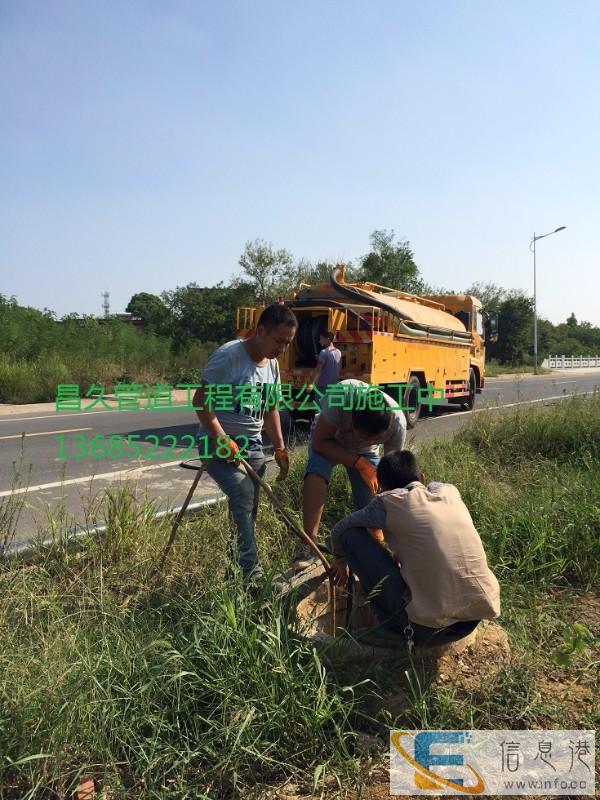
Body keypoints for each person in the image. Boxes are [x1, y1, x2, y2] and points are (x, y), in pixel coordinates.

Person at [327, 450, 501, 646]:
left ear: (381, 488)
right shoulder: (449, 491)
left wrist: (340, 560)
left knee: (351, 536)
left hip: (425, 630)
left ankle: (392, 626)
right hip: (473, 618)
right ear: (421, 478)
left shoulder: (387, 501)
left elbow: (340, 529)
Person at [193, 304, 297, 582]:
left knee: (247, 509)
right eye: (279, 341)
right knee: (242, 494)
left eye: (288, 343)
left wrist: (279, 447)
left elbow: (272, 407)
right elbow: (201, 403)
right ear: (260, 330)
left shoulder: (272, 365)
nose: (282, 348)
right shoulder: (228, 357)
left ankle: (234, 568)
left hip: (252, 446)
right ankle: (252, 574)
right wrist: (222, 438)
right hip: (216, 443)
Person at [294, 379, 407, 570]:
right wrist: (360, 464)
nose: (366, 440)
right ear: (352, 420)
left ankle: (368, 551)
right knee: (316, 474)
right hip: (330, 441)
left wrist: (383, 528)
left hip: (367, 452)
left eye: (375, 438)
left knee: (374, 497)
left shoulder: (397, 424)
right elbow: (320, 443)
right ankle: (308, 545)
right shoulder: (340, 396)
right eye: (363, 436)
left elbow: (391, 480)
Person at [307, 331, 342, 395]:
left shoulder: (323, 352)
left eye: (321, 339)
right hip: (335, 385)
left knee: (320, 404)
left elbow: (318, 369)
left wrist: (311, 384)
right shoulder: (338, 352)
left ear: (327, 339)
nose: (320, 341)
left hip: (323, 386)